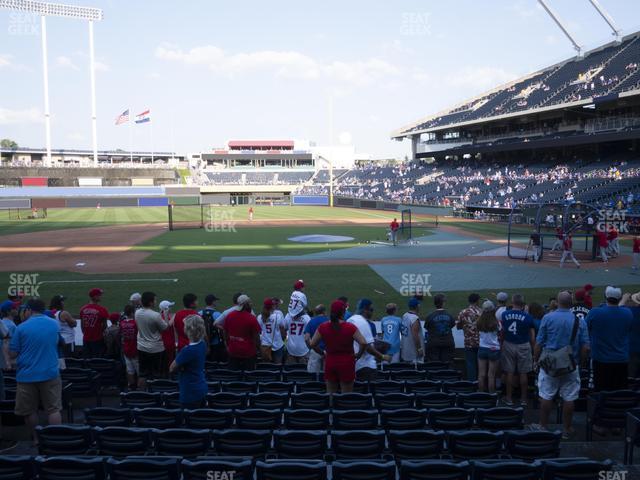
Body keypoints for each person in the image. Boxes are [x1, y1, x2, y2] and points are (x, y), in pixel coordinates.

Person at [533, 291, 590, 439]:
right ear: (571, 303)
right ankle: (567, 429)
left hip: (549, 364)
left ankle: (543, 426)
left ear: (557, 302)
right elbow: (586, 347)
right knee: (569, 397)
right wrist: (581, 363)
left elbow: (539, 342)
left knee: (546, 395)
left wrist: (535, 359)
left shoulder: (548, 317)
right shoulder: (579, 321)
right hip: (570, 364)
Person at [9, 298, 62, 446]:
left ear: (29, 310)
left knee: (30, 411)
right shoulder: (54, 324)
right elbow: (56, 342)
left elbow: (13, 353)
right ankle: (54, 440)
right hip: (50, 372)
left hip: (27, 375)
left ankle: (36, 439)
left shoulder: (21, 328)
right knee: (53, 409)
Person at [309, 299, 369, 393]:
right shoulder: (350, 327)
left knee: (331, 395)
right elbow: (364, 343)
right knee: (346, 396)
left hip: (330, 362)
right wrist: (358, 355)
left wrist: (322, 353)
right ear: (343, 312)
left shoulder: (323, 327)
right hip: (347, 363)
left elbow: (312, 344)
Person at [586, 286, 633, 392]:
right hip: (621, 359)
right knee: (619, 391)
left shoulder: (595, 312)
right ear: (619, 298)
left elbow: (586, 329)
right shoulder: (627, 313)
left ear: (605, 297)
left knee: (601, 391)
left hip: (600, 360)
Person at [500, 294, 535, 407]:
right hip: (523, 344)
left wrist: (501, 344)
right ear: (523, 304)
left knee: (509, 372)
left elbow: (502, 332)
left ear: (512, 302)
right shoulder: (528, 316)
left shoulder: (504, 314)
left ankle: (509, 398)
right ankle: (523, 399)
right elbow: (532, 336)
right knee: (523, 372)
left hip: (508, 343)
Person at [347, 298, 390, 381]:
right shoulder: (363, 323)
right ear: (365, 310)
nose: (372, 312)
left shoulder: (350, 320)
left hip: (355, 366)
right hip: (366, 367)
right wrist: (382, 356)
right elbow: (367, 346)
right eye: (371, 309)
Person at [170, 315, 207, 408]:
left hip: (190, 392)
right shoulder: (202, 344)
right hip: (201, 387)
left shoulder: (187, 350)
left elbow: (171, 368)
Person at [135, 292, 169, 387]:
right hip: (156, 349)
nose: (155, 302)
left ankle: (141, 395)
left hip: (142, 347)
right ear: (150, 302)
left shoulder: (137, 312)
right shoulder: (155, 315)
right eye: (154, 300)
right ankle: (156, 394)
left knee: (143, 373)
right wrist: (165, 315)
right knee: (157, 374)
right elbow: (165, 328)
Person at [223, 295, 261, 371]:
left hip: (233, 351)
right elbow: (256, 337)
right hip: (248, 353)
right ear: (246, 305)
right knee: (249, 378)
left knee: (233, 376)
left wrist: (228, 345)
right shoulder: (252, 318)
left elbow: (225, 333)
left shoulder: (229, 316)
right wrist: (258, 348)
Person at [477, 300, 501, 394]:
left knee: (481, 374)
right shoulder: (497, 322)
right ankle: (492, 395)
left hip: (482, 348)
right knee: (491, 375)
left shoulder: (479, 321)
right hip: (494, 349)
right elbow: (500, 334)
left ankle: (481, 394)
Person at [424, 294, 455, 364]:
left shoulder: (430, 316)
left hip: (434, 343)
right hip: (447, 342)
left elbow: (427, 328)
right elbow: (452, 325)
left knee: (435, 366)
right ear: (443, 303)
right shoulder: (449, 315)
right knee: (447, 366)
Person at [457, 293, 481, 382]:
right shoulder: (481, 312)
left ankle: (472, 385)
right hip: (480, 342)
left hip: (468, 342)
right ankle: (481, 385)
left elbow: (458, 326)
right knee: (481, 365)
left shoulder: (463, 312)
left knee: (470, 364)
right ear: (477, 301)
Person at [79, 288, 109, 358]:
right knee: (97, 361)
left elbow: (82, 326)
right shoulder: (102, 309)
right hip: (98, 339)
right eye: (99, 295)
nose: (101, 296)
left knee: (87, 360)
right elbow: (105, 326)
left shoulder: (82, 309)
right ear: (95, 297)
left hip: (86, 339)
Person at [257, 298, 287, 364]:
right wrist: (282, 340)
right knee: (277, 368)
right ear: (272, 306)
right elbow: (283, 331)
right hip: (277, 346)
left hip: (265, 346)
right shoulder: (277, 316)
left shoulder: (259, 317)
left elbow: (258, 332)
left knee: (267, 368)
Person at [199, 294, 226, 362]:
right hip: (215, 343)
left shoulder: (199, 313)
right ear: (213, 302)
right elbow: (224, 328)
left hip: (203, 343)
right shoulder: (217, 314)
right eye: (215, 301)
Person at [119, 304, 139, 389]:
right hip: (135, 349)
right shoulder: (135, 323)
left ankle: (131, 387)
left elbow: (121, 336)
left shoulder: (122, 323)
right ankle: (140, 389)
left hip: (126, 349)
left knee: (129, 369)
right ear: (131, 313)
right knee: (139, 371)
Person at [305, 305, 328, 374]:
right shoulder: (329, 321)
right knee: (327, 377)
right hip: (328, 353)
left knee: (313, 376)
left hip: (315, 351)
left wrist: (311, 347)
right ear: (324, 312)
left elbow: (306, 338)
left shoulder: (311, 322)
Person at [622, 292, 640, 378]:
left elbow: (617, 311)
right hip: (633, 349)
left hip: (632, 350)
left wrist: (623, 300)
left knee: (631, 379)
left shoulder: (630, 312)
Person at [400, 298, 424, 363]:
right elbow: (415, 336)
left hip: (405, 351)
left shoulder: (404, 315)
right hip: (413, 354)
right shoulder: (414, 319)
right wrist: (419, 349)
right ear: (417, 306)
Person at [159, 300, 177, 373]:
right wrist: (172, 316)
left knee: (164, 360)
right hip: (169, 342)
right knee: (170, 360)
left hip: (163, 342)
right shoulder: (167, 317)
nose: (171, 308)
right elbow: (167, 327)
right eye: (169, 307)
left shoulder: (159, 316)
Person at [0, 301, 17, 370]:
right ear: (8, 312)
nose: (17, 309)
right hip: (10, 361)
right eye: (14, 308)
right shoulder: (10, 325)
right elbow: (7, 343)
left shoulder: (4, 322)